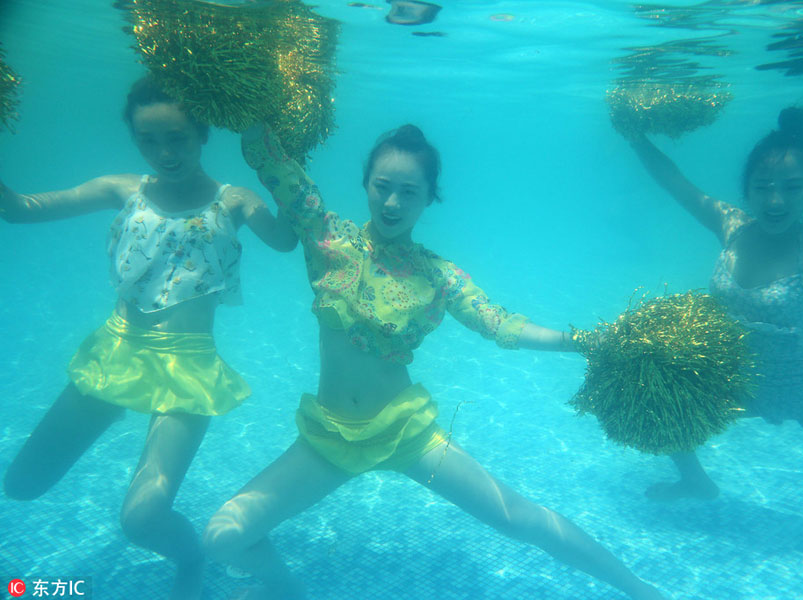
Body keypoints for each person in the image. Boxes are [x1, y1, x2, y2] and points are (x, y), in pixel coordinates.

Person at [201, 123, 665, 600]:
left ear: (428, 199)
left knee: (516, 517)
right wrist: (255, 106)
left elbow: (499, 324)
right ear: (365, 184)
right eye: (382, 187)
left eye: (409, 192)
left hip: (407, 432)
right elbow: (277, 165)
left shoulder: (438, 275)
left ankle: (640, 588)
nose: (392, 204)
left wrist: (585, 342)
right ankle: (288, 590)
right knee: (223, 536)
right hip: (330, 435)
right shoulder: (327, 240)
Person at [0, 76, 297, 600]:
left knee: (140, 521)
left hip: (187, 368)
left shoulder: (233, 201)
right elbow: (22, 208)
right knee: (21, 484)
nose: (165, 152)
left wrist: (277, 168)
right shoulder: (122, 189)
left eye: (178, 137)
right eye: (149, 140)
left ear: (202, 133)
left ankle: (191, 559)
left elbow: (286, 240)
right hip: (115, 354)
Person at [625, 106, 803, 501]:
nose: (775, 199)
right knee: (655, 391)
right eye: (763, 185)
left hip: (802, 385)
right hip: (730, 379)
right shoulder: (732, 227)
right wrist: (635, 137)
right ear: (747, 188)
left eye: (792, 187)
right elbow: (676, 182)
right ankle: (695, 482)